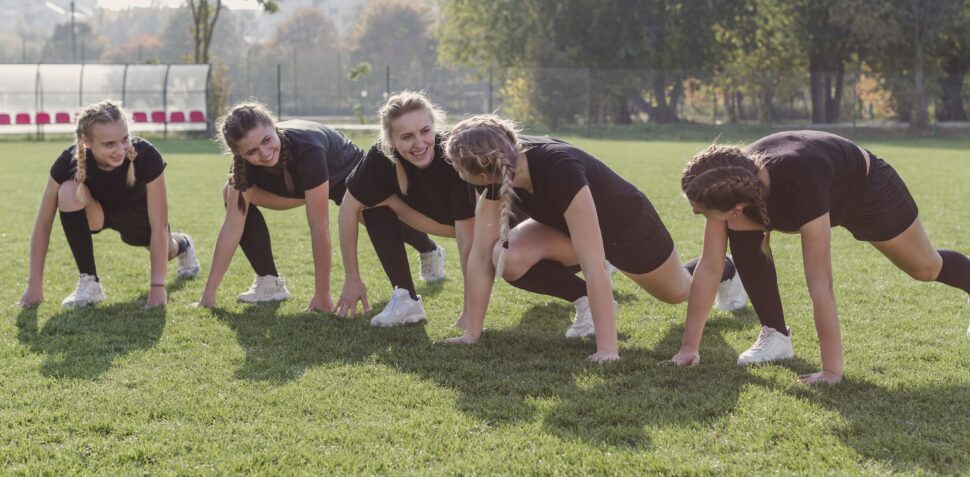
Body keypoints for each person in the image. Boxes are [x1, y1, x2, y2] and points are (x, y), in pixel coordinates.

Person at [673, 130, 970, 384]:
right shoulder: (730, 186)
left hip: (865, 189)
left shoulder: (798, 181)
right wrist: (689, 347)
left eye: (699, 210)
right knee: (743, 242)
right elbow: (710, 267)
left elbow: (821, 283)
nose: (694, 213)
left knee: (925, 267)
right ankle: (775, 335)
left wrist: (831, 369)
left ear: (737, 207)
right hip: (793, 191)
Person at [440, 115, 744, 362]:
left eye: (455, 167)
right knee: (506, 256)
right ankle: (585, 299)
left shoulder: (559, 168)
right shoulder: (496, 174)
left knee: (679, 292)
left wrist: (607, 350)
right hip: (568, 232)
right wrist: (471, 333)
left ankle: (728, 270)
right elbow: (480, 255)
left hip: (628, 231)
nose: (455, 172)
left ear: (479, 175)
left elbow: (594, 263)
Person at [336, 91, 610, 335]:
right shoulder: (379, 159)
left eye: (425, 131)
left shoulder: (454, 159)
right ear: (391, 140)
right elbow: (348, 209)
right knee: (373, 207)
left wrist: (469, 314)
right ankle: (405, 298)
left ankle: (588, 291)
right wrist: (352, 279)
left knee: (506, 259)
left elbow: (470, 243)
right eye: (407, 136)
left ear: (435, 127)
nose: (419, 143)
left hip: (519, 229)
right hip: (461, 229)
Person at [16, 99, 199, 309]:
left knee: (168, 251)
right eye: (109, 144)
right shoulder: (68, 161)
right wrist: (34, 286)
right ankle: (90, 283)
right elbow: (43, 223)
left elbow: (158, 225)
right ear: (87, 141)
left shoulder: (147, 156)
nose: (120, 150)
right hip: (98, 215)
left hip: (141, 220)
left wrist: (157, 287)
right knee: (67, 191)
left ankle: (184, 243)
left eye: (124, 139)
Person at [197, 102, 365, 311]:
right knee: (232, 194)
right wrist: (209, 293)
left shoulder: (307, 147)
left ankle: (420, 250)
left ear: (274, 125)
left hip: (347, 172)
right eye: (252, 152)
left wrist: (322, 295)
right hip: (303, 185)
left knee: (388, 222)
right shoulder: (245, 166)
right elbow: (232, 227)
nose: (265, 153)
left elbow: (319, 227)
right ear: (240, 155)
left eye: (266, 140)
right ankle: (269, 282)